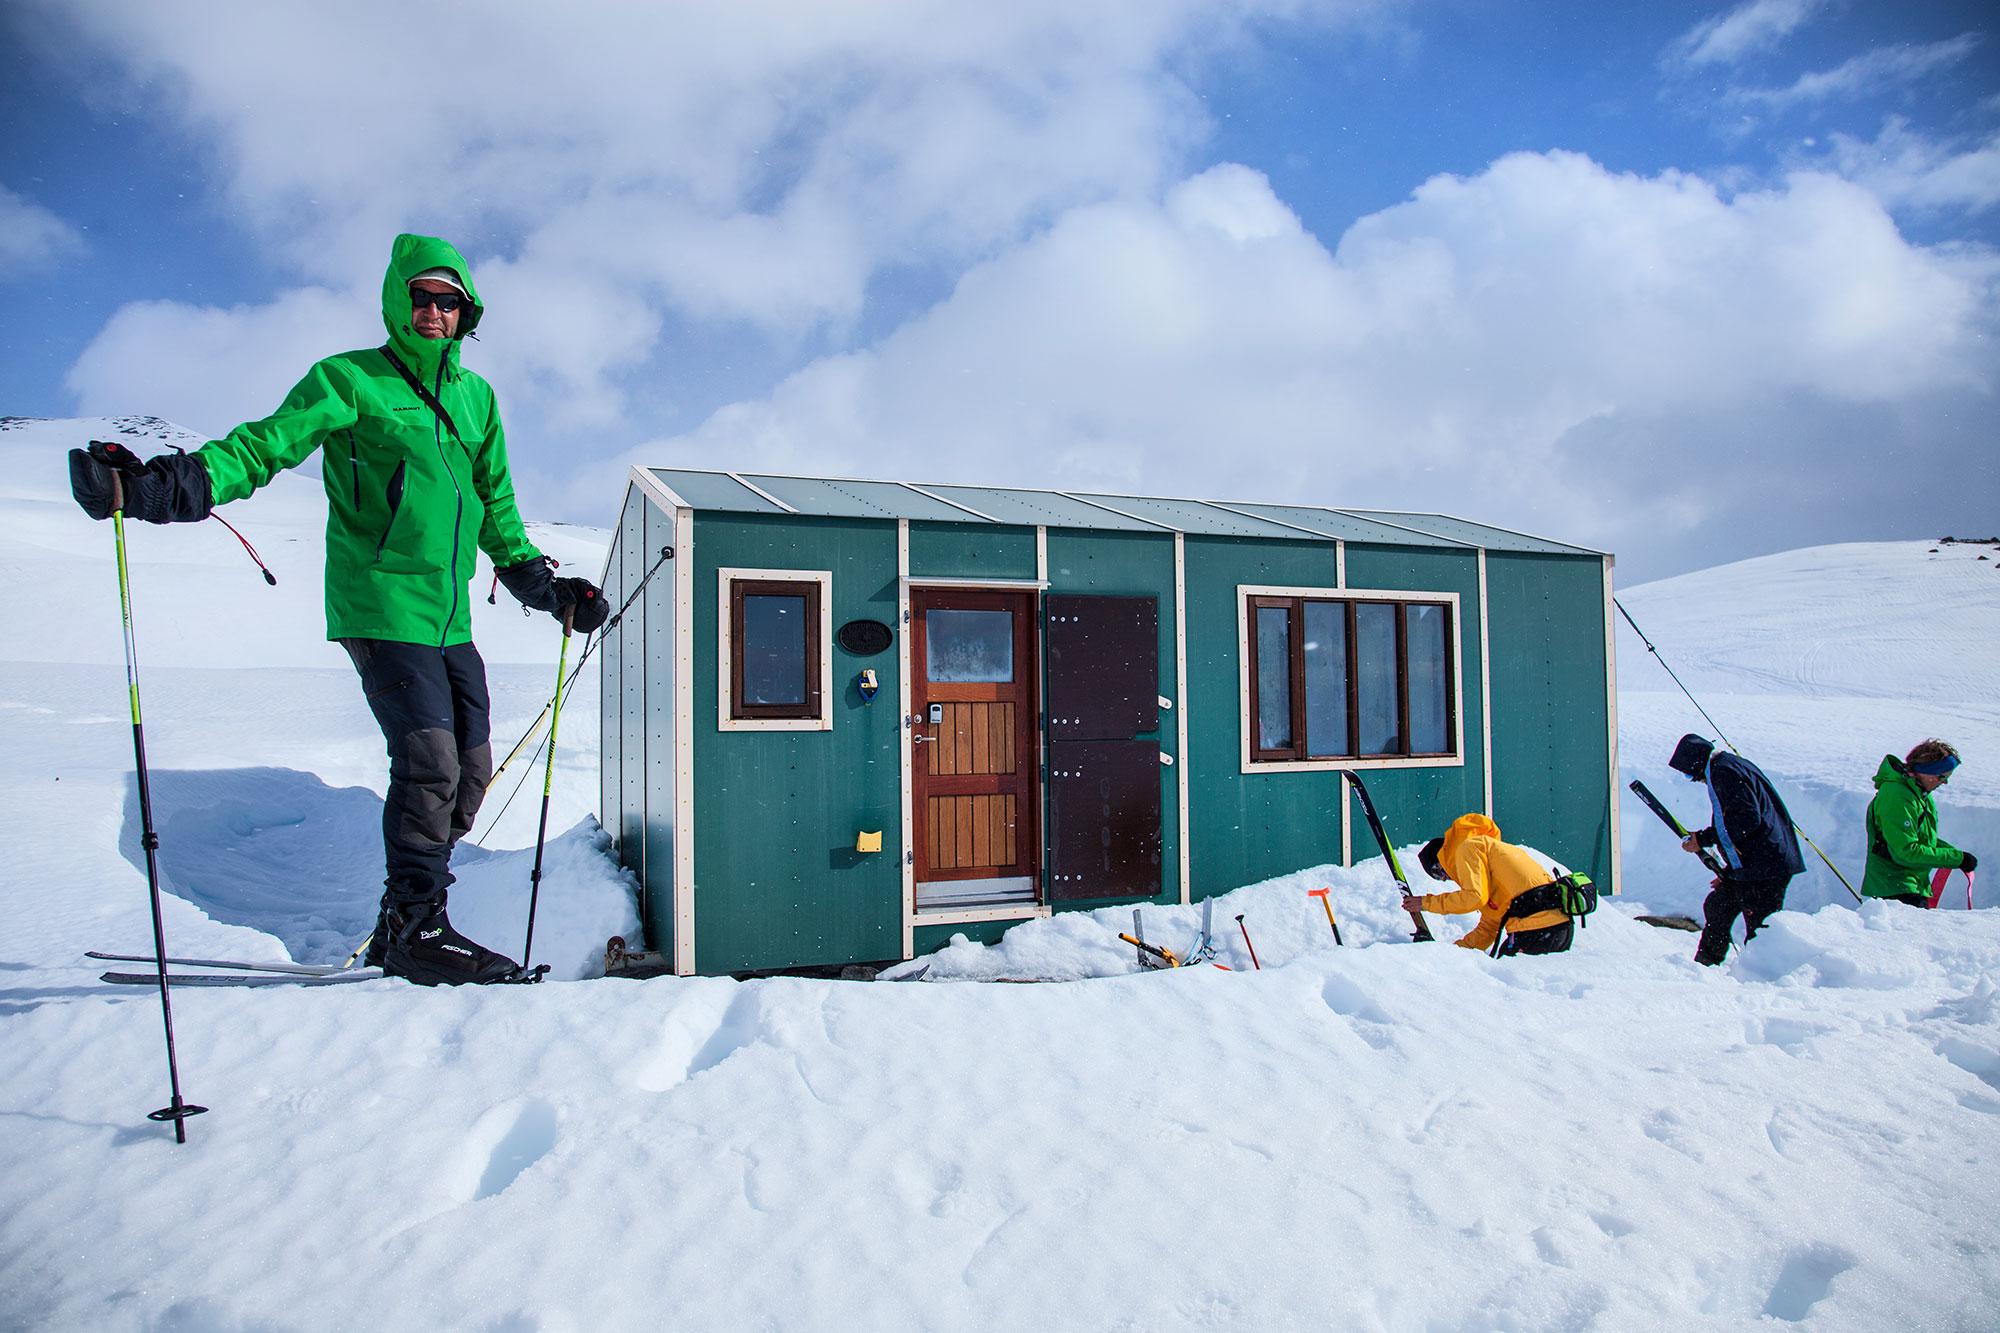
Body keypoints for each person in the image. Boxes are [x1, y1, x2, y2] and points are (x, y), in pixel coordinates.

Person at [68, 233, 608, 986]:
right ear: (398, 300)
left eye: (446, 300)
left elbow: (496, 505)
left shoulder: (476, 399)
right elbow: (266, 445)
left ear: (466, 311)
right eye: (419, 296)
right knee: (429, 762)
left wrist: (547, 590)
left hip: (448, 617)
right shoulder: (350, 380)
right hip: (379, 601)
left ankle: (402, 918)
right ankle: (420, 926)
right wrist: (171, 486)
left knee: (471, 770)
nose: (431, 310)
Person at [1668, 733, 1804, 966]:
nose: (1693, 779)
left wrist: (1702, 839)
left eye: (1690, 774)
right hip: (1753, 863)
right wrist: (1732, 872)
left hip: (1766, 866)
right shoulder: (1728, 766)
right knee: (1718, 906)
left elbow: (1746, 820)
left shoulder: (1724, 772)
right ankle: (1705, 966)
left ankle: (1764, 975)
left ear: (1698, 763)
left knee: (1760, 927)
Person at [1401, 812, 1576, 955]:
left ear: (1441, 861)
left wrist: (1425, 903)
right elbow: (1489, 927)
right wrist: (1452, 953)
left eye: (1439, 874)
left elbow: (1473, 898)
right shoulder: (1489, 856)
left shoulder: (1467, 848)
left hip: (1535, 928)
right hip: (1560, 929)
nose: (1447, 878)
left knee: (1504, 990)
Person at [1863, 740, 1975, 906]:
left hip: (1912, 885)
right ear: (1926, 771)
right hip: (1894, 890)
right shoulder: (1897, 797)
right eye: (1942, 776)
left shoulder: (1920, 793)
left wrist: (1954, 855)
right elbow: (1906, 851)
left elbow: (1920, 840)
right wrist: (1956, 859)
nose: (1944, 782)